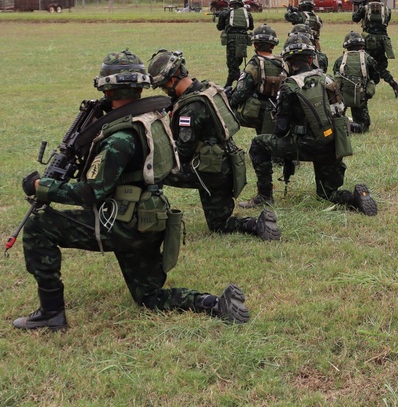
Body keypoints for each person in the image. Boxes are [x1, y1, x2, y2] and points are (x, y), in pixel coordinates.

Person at [14, 50, 249, 330]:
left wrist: (44, 188)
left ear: (108, 88)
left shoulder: (120, 138)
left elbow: (91, 193)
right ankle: (213, 303)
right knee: (149, 297)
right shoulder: (151, 117)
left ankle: (51, 313)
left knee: (39, 226)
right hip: (149, 222)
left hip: (121, 225)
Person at [147, 49, 280, 241]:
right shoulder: (206, 89)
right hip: (226, 166)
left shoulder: (189, 110)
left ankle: (153, 221)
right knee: (220, 223)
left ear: (173, 79)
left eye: (163, 86)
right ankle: (255, 222)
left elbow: (181, 154)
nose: (164, 90)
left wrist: (156, 150)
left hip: (210, 173)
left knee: (153, 171)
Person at [240, 34, 377, 215]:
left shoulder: (289, 86)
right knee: (327, 195)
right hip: (331, 146)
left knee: (258, 144)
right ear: (311, 58)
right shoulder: (328, 80)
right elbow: (340, 111)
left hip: (304, 146)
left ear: (288, 61)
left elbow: (281, 129)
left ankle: (264, 196)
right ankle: (354, 198)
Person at [228, 24, 287, 135]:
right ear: (273, 46)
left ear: (254, 45)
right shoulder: (283, 64)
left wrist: (229, 102)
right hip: (279, 111)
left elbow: (241, 93)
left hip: (256, 113)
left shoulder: (253, 66)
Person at [352, 0, 398, 98]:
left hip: (368, 41)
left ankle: (365, 90)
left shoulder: (365, 8)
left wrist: (360, 6)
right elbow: (386, 21)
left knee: (364, 64)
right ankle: (395, 86)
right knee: (381, 67)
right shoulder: (386, 9)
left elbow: (355, 18)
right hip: (382, 42)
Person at [332, 31, 381, 133]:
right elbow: (376, 77)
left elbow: (336, 76)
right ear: (362, 45)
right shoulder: (368, 59)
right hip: (361, 97)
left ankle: (343, 124)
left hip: (341, 97)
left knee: (338, 119)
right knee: (363, 126)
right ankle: (355, 126)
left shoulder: (340, 60)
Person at [215, 0, 254, 88]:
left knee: (232, 65)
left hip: (231, 42)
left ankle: (236, 83)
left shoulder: (225, 12)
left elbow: (219, 27)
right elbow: (251, 27)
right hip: (243, 41)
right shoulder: (247, 14)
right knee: (237, 62)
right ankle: (232, 82)